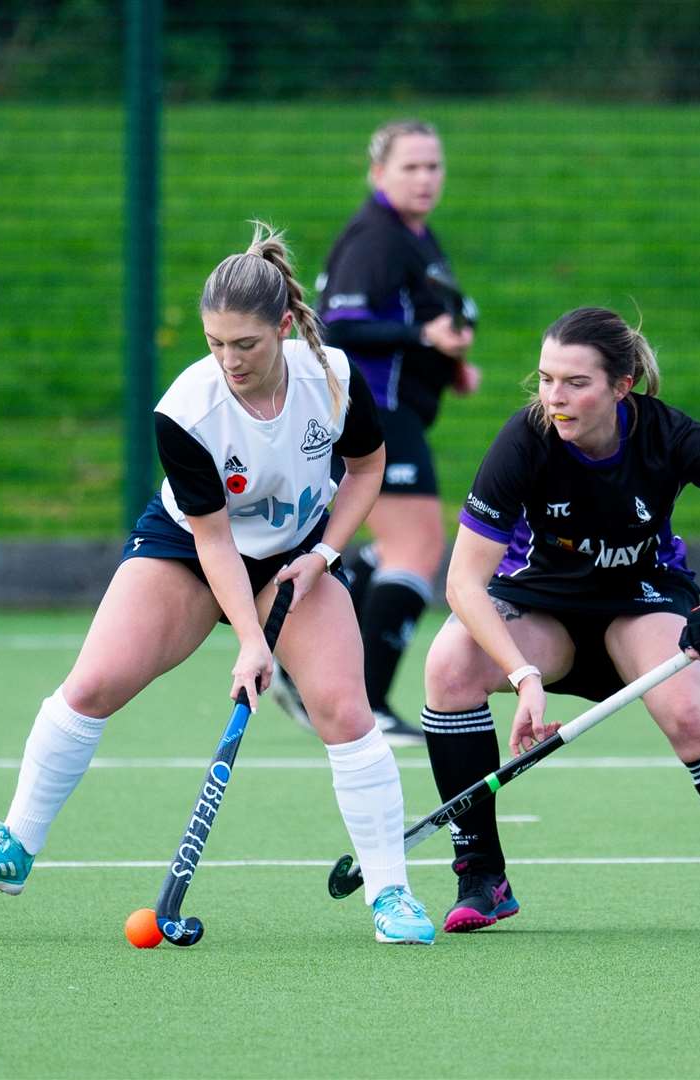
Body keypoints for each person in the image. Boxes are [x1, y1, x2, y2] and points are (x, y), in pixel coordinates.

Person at [0, 225, 434, 944]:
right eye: (215, 344)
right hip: (190, 548)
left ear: (284, 327)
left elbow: (364, 471)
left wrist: (325, 555)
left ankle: (390, 895)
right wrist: (251, 646)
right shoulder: (186, 411)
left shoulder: (332, 378)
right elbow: (212, 539)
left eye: (246, 345)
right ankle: (15, 843)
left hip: (294, 552)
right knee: (95, 682)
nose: (230, 361)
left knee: (344, 712)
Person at [417, 306, 700, 938]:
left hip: (640, 603)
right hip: (541, 609)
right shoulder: (525, 440)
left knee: (688, 714)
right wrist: (523, 673)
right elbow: (462, 582)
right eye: (545, 380)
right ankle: (481, 875)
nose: (554, 399)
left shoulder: (667, 435)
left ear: (622, 386)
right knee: (449, 667)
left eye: (575, 383)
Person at [273, 119, 481, 748]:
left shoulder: (417, 238)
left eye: (433, 166)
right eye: (410, 166)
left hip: (398, 409)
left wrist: (448, 365)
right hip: (375, 411)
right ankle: (365, 702)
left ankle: (295, 661)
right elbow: (337, 326)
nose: (425, 178)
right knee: (416, 548)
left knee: (391, 546)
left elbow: (420, 319)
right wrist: (424, 338)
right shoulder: (376, 237)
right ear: (378, 173)